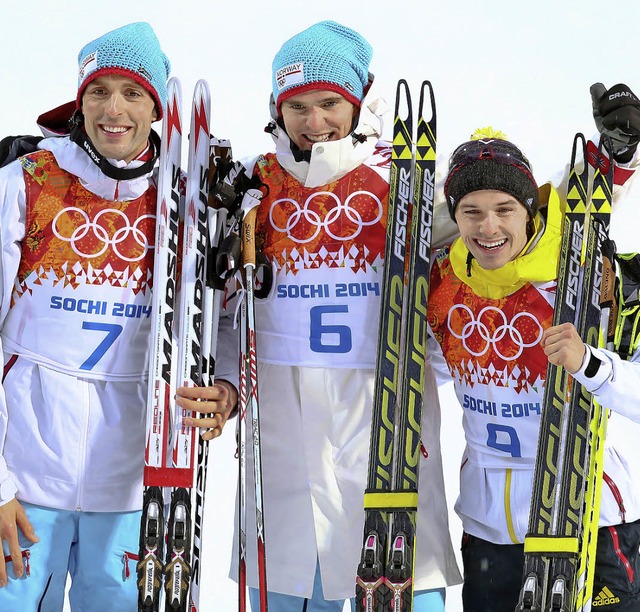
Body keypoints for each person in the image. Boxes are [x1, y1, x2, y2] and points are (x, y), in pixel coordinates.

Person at [208, 19, 462, 612]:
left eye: (329, 103)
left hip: (381, 414)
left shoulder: (406, 176)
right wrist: (224, 378)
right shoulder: (252, 183)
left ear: (356, 99)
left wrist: (612, 174)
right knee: (290, 582)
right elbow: (223, 303)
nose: (313, 121)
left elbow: (500, 231)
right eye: (296, 105)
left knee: (400, 579)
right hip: (282, 423)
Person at [0, 22, 235, 611]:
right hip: (26, 479)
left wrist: (227, 385)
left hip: (141, 482)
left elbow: (226, 315)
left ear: (156, 107)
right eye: (98, 90)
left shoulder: (187, 199)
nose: (114, 109)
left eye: (132, 93)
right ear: (78, 101)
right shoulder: (26, 183)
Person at [427, 105, 640, 611]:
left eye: (504, 209)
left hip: (591, 515)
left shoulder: (588, 279)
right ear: (454, 217)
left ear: (530, 210)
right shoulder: (447, 289)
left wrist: (591, 364)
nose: (488, 226)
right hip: (489, 528)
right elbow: (428, 369)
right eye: (471, 211)